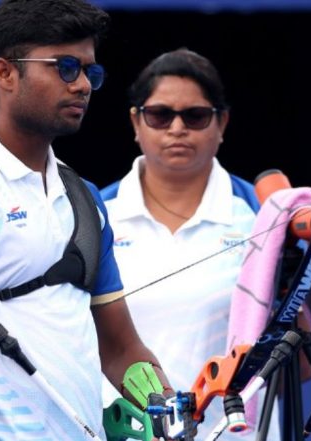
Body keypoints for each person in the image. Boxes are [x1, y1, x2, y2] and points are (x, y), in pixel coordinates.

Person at [0, 1, 171, 439]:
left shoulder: (83, 197)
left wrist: (168, 411)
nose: (82, 85)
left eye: (89, 72)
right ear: (6, 73)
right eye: (64, 67)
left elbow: (120, 348)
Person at [99, 48, 283, 440]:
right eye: (160, 115)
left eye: (195, 116)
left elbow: (294, 360)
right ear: (136, 121)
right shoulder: (94, 215)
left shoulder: (265, 217)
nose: (177, 128)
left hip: (237, 432)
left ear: (222, 122)